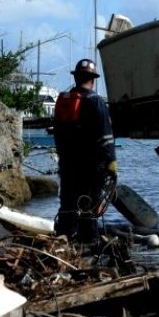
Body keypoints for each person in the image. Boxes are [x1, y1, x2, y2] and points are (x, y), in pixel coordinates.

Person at [52, 58, 118, 241]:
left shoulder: (64, 101)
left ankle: (63, 243)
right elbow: (106, 137)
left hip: (67, 165)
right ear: (93, 79)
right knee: (89, 206)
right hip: (91, 168)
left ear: (76, 77)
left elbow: (57, 132)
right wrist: (112, 164)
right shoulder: (96, 101)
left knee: (67, 206)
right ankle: (89, 246)